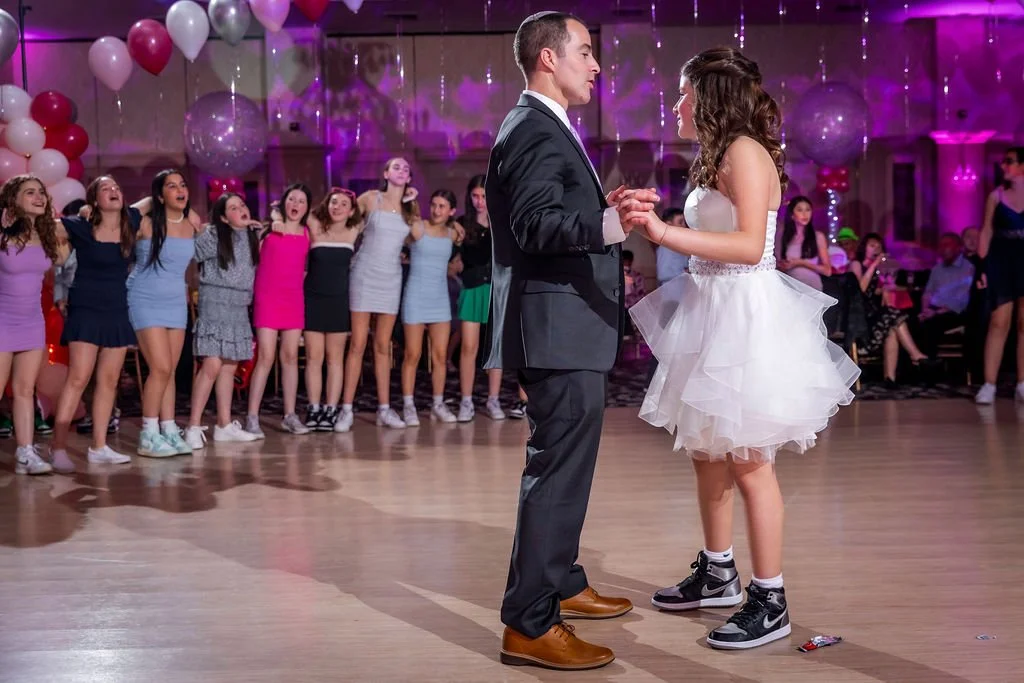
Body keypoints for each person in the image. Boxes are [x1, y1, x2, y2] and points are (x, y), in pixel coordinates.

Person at [618, 46, 859, 650]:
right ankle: (718, 570)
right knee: (707, 450)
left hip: (744, 318)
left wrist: (663, 231)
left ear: (711, 98)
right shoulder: (714, 155)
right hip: (710, 308)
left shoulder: (746, 153)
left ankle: (770, 596)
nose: (676, 104)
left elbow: (752, 246)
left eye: (684, 93)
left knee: (751, 461)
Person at [485, 11, 658, 671]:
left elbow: (553, 215)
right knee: (555, 474)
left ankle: (560, 581)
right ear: (548, 58)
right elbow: (535, 226)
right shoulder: (532, 127)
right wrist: (610, 225)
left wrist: (599, 212)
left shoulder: (540, 125)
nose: (596, 65)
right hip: (556, 331)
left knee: (565, 470)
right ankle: (528, 623)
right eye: (585, 52)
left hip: (565, 327)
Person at [975, 146, 1024, 404]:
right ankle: (989, 383)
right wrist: (982, 268)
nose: (1004, 166)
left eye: (1010, 161)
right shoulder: (996, 196)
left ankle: (1022, 383)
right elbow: (986, 231)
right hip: (1002, 261)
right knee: (999, 322)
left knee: (1023, 324)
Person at [916, 232, 974, 357]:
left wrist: (936, 313)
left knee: (930, 326)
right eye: (941, 245)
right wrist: (925, 310)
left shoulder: (968, 268)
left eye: (947, 245)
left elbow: (962, 300)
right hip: (934, 309)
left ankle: (930, 365)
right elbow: (928, 292)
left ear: (959, 247)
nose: (943, 249)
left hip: (954, 312)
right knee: (909, 322)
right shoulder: (937, 269)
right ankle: (913, 365)